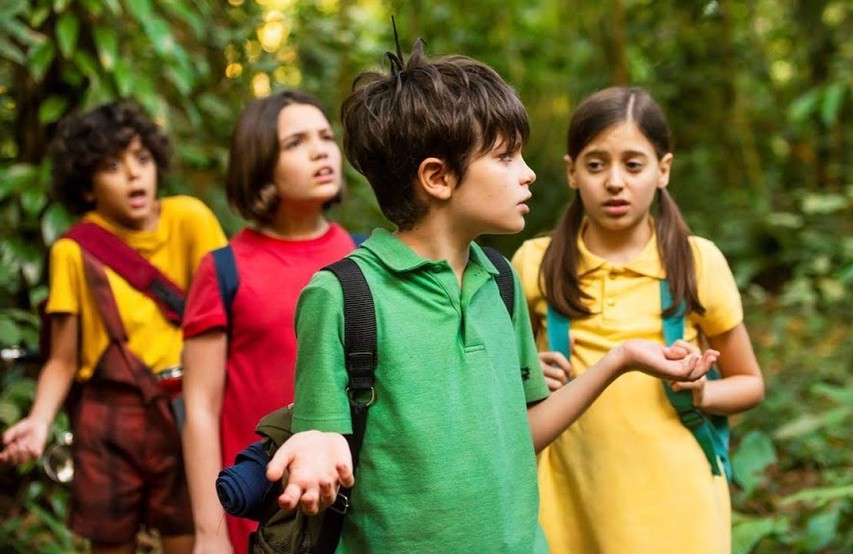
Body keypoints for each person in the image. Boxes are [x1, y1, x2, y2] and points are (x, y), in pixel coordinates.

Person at [261, 41, 720, 552]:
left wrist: (621, 359)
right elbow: (321, 441)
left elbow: (523, 434)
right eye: (505, 157)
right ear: (438, 177)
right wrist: (315, 445)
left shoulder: (499, 281)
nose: (527, 173)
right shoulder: (343, 295)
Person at [511, 86, 766, 553]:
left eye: (633, 164)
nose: (614, 182)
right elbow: (497, 391)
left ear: (662, 170)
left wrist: (703, 389)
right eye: (595, 164)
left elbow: (749, 382)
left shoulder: (696, 262)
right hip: (571, 502)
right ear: (571, 172)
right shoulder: (535, 264)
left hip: (680, 507)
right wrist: (523, 377)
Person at [0, 100, 227, 554]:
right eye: (112, 165)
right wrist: (39, 422)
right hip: (108, 417)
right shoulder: (73, 250)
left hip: (184, 410)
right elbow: (63, 358)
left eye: (142, 159)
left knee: (190, 534)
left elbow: (229, 313)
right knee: (109, 542)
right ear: (87, 186)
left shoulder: (190, 218)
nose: (133, 174)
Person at [180, 90, 358, 554]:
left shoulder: (364, 260)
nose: (321, 150)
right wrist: (209, 532)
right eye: (296, 142)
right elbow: (200, 408)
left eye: (325, 136)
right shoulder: (224, 270)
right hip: (256, 501)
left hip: (347, 503)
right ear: (260, 165)